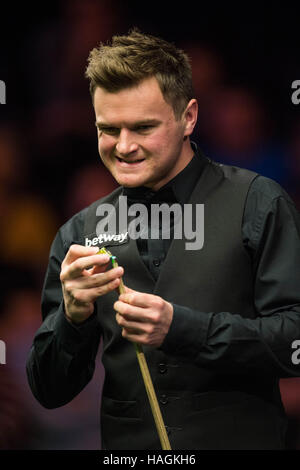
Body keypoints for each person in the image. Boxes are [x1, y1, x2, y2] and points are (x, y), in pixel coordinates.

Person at [26, 29, 300, 450]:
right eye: (108, 129)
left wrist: (184, 329)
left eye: (143, 127)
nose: (124, 146)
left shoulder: (257, 202)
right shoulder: (80, 232)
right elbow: (49, 390)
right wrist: (73, 317)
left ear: (188, 117)